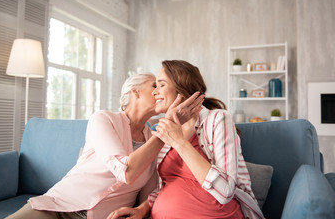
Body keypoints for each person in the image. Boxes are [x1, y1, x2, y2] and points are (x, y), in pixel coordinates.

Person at [6, 72, 204, 219]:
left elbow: (150, 193)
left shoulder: (156, 137)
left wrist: (141, 210)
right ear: (135, 92)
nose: (159, 91)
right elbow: (125, 171)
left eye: (162, 86)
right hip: (58, 208)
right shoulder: (104, 119)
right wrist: (164, 132)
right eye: (154, 86)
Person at [108, 60, 264, 219]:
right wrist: (141, 209)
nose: (154, 92)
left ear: (181, 88)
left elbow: (225, 192)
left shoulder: (218, 119)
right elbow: (167, 186)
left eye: (161, 85)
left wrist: (179, 142)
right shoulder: (160, 131)